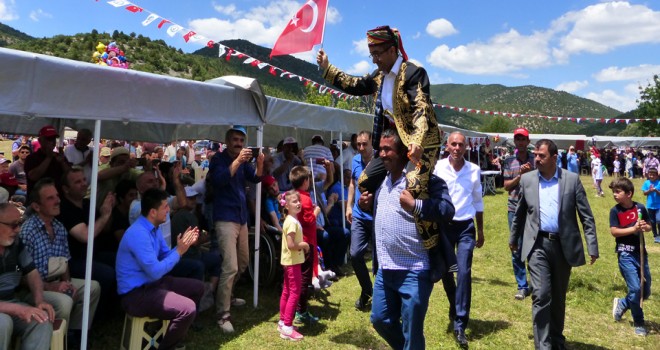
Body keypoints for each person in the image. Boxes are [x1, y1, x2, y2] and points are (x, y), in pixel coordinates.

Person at [317, 25, 443, 252]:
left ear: (393, 50)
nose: (374, 60)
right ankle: (385, 230)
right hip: (393, 144)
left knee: (413, 186)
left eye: (378, 54)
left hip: (422, 143)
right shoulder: (379, 77)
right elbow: (355, 85)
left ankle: (433, 247)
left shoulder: (414, 73)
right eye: (371, 54)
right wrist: (328, 68)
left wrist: (416, 140)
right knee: (365, 182)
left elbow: (421, 108)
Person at [359, 128, 454, 349]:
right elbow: (376, 206)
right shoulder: (380, 181)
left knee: (412, 328)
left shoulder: (425, 181)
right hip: (385, 269)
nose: (382, 155)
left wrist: (416, 206)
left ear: (403, 152)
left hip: (414, 270)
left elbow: (447, 209)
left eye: (387, 149)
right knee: (380, 320)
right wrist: (365, 203)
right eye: (380, 150)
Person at [509, 139, 599, 349]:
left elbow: (586, 217)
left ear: (554, 158)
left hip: (563, 246)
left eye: (542, 155)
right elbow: (520, 213)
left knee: (558, 297)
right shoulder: (528, 180)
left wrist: (592, 246)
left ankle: (557, 339)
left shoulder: (571, 180)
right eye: (536, 155)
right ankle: (543, 345)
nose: (537, 159)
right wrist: (513, 239)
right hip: (537, 244)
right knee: (541, 295)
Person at [116, 188, 204, 350]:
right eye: (165, 207)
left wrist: (182, 245)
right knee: (188, 308)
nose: (168, 210)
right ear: (152, 212)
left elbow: (165, 257)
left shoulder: (154, 228)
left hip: (154, 285)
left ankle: (173, 333)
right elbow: (155, 271)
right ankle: (167, 346)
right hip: (137, 295)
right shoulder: (138, 234)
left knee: (197, 288)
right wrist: (179, 251)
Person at [19, 178, 101, 344]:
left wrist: (68, 283)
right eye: (50, 198)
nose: (58, 200)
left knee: (92, 287)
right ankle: (57, 340)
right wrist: (51, 287)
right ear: (36, 206)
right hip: (32, 290)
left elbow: (65, 262)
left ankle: (75, 334)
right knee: (63, 301)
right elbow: (21, 277)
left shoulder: (58, 226)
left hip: (55, 281)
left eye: (57, 196)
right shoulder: (28, 231)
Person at [210, 125, 263, 333]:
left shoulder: (243, 161)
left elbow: (256, 178)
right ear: (227, 141)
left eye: (242, 141)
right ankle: (222, 314)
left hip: (241, 218)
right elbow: (219, 180)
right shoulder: (218, 159)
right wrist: (238, 160)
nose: (239, 144)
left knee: (243, 263)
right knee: (230, 266)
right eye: (235, 140)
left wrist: (259, 163)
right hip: (224, 218)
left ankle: (228, 294)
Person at [433, 132, 484, 347]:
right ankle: (454, 303)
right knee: (446, 270)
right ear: (447, 146)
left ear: (466, 148)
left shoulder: (474, 171)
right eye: (453, 144)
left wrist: (480, 231)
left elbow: (478, 202)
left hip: (465, 227)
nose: (457, 148)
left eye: (460, 145)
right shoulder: (438, 168)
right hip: (444, 227)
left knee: (463, 271)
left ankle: (460, 322)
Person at [57, 168, 117, 320]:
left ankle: (116, 310)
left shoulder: (87, 203)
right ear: (65, 189)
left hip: (94, 254)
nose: (84, 184)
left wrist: (109, 209)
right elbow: (85, 236)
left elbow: (105, 227)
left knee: (121, 260)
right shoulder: (64, 209)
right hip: (73, 261)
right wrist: (104, 216)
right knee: (107, 274)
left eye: (84, 180)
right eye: (77, 182)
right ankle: (97, 318)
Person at [0, 203, 54, 350]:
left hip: (10, 302)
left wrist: (39, 300)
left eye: (20, 223)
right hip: (5, 310)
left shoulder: (15, 243)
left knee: (41, 320)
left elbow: (32, 272)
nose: (18, 229)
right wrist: (19, 309)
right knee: (2, 323)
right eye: (13, 225)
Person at [608, 177, 652, 336]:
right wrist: (633, 229)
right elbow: (614, 231)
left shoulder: (640, 208)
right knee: (635, 288)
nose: (615, 194)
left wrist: (643, 226)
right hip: (625, 253)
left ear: (629, 193)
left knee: (645, 291)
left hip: (640, 253)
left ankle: (623, 303)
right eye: (614, 192)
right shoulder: (615, 211)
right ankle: (639, 322)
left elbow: (648, 226)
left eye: (618, 192)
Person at [502, 127, 534, 300]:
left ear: (528, 142)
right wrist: (520, 175)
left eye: (523, 139)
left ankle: (535, 283)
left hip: (533, 209)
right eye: (518, 139)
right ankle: (522, 285)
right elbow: (506, 186)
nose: (521, 142)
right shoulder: (509, 162)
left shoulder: (536, 160)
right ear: (515, 142)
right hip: (514, 209)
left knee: (535, 246)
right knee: (516, 247)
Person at [288, 165, 321, 324]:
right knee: (304, 278)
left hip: (296, 242)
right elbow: (309, 221)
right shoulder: (305, 199)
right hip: (306, 243)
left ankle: (294, 307)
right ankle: (301, 311)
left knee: (295, 277)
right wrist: (316, 211)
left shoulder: (292, 196)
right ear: (306, 181)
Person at [346, 130, 375, 310]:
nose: (362, 148)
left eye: (365, 144)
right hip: (359, 215)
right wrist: (348, 205)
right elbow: (351, 183)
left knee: (379, 260)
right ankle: (366, 290)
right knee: (355, 254)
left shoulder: (380, 161)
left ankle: (380, 298)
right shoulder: (356, 160)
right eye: (359, 144)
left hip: (376, 216)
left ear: (372, 143)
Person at [277, 190, 309, 341]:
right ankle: (287, 328)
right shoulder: (291, 222)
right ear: (286, 206)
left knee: (287, 291)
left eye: (298, 201)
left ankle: (283, 321)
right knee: (294, 292)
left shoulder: (291, 220)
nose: (298, 203)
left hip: (289, 261)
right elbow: (291, 244)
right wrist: (304, 245)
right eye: (294, 202)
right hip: (292, 262)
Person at [24, 125, 71, 196]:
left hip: (57, 199)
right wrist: (48, 158)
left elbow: (70, 177)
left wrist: (63, 162)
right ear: (40, 141)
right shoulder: (31, 158)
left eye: (54, 139)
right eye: (49, 139)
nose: (52, 142)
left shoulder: (59, 157)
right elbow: (33, 176)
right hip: (37, 200)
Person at [641, 167, 660, 244]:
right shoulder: (646, 183)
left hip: (658, 205)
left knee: (659, 220)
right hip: (650, 205)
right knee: (652, 221)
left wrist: (656, 190)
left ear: (657, 176)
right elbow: (644, 193)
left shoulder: (659, 183)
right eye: (650, 175)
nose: (651, 176)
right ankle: (655, 236)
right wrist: (649, 190)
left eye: (653, 175)